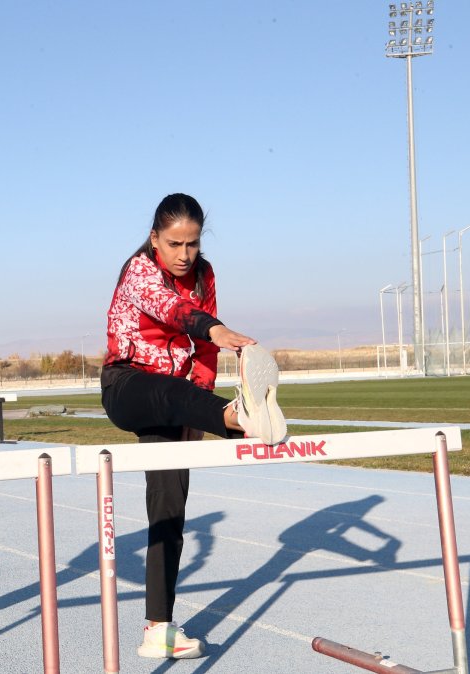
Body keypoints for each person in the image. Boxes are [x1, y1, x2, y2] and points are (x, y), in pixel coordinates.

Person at [100, 192, 287, 660]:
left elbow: (201, 357)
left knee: (169, 506)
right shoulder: (139, 270)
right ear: (154, 239)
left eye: (193, 244)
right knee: (170, 390)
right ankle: (238, 417)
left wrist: (199, 403)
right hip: (128, 385)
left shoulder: (204, 274)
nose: (184, 255)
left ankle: (157, 629)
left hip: (179, 394)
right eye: (174, 243)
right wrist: (217, 330)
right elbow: (171, 311)